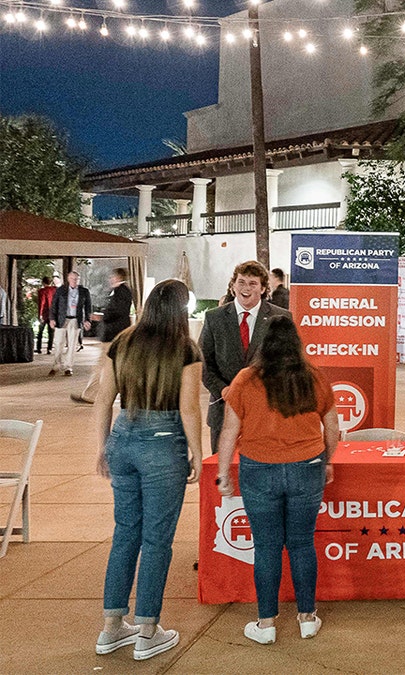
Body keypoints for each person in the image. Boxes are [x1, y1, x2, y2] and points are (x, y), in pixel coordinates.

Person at [93, 279, 203, 661]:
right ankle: (148, 630)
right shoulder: (186, 349)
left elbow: (104, 400)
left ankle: (111, 627)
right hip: (163, 442)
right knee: (157, 539)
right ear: (179, 310)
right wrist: (197, 453)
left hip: (122, 437)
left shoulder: (122, 341)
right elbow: (189, 408)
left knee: (125, 533)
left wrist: (102, 446)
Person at [216, 315, 337, 645]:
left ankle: (266, 623)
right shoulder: (313, 378)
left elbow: (229, 431)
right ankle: (308, 617)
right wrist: (327, 461)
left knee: (267, 547)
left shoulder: (244, 380)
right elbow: (333, 427)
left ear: (262, 344)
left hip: (259, 469)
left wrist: (222, 473)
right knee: (302, 543)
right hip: (307, 467)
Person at [200, 261, 290, 454]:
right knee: (222, 473)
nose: (246, 288)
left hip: (266, 414)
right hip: (223, 410)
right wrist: (223, 390)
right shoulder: (214, 318)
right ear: (233, 286)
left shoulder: (281, 318)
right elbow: (204, 363)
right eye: (241, 282)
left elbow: (288, 363)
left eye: (252, 283)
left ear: (263, 288)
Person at [76, 268, 134, 404]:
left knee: (102, 365)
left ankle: (91, 395)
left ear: (118, 277)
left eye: (112, 277)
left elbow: (117, 311)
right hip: (116, 334)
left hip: (113, 334)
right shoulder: (123, 291)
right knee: (111, 366)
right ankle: (94, 394)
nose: (110, 279)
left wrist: (101, 316)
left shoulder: (121, 291)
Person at [48, 270, 92, 376]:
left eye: (76, 279)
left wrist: (87, 320)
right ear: (68, 279)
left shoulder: (84, 291)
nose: (74, 281)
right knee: (58, 343)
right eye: (72, 278)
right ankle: (56, 365)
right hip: (61, 319)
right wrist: (52, 318)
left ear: (79, 280)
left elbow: (88, 307)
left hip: (75, 319)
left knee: (72, 345)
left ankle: (68, 367)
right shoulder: (61, 290)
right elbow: (54, 305)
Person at [35, 276, 56, 354]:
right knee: (51, 332)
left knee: (40, 332)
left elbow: (42, 303)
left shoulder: (41, 291)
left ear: (43, 282)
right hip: (52, 314)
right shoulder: (54, 290)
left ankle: (39, 348)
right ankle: (49, 349)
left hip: (44, 314)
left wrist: (40, 314)